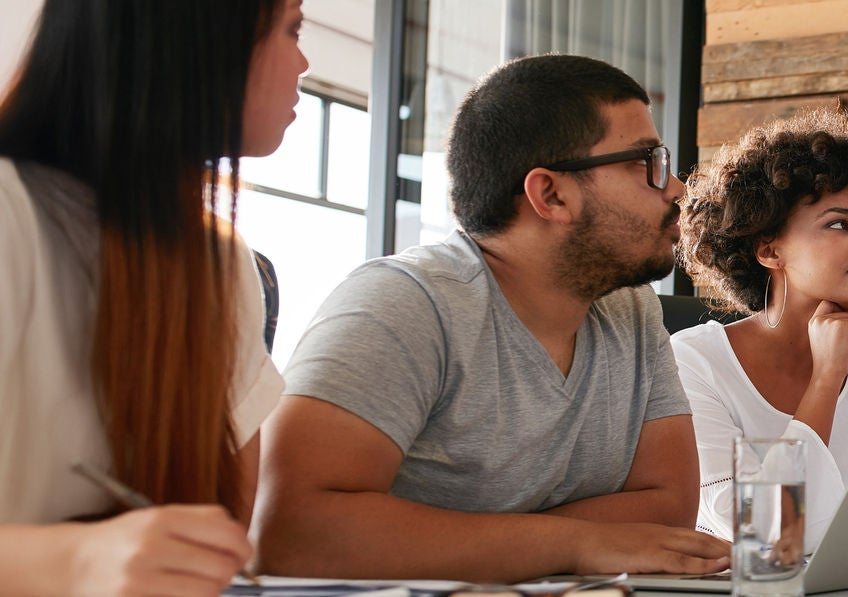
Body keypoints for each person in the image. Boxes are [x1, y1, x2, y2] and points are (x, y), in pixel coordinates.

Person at [252, 54, 728, 583]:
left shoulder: (630, 311)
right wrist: (581, 542)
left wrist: (487, 541)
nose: (678, 188)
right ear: (550, 194)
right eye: (647, 162)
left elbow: (668, 509)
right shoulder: (404, 303)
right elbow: (291, 529)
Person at [0, 0, 302, 595]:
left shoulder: (224, 264)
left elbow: (220, 548)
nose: (303, 61)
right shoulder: (11, 214)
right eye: (292, 29)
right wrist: (71, 561)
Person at [672, 110, 848, 553]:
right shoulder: (693, 361)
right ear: (769, 248)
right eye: (839, 223)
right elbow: (760, 530)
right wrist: (826, 379)